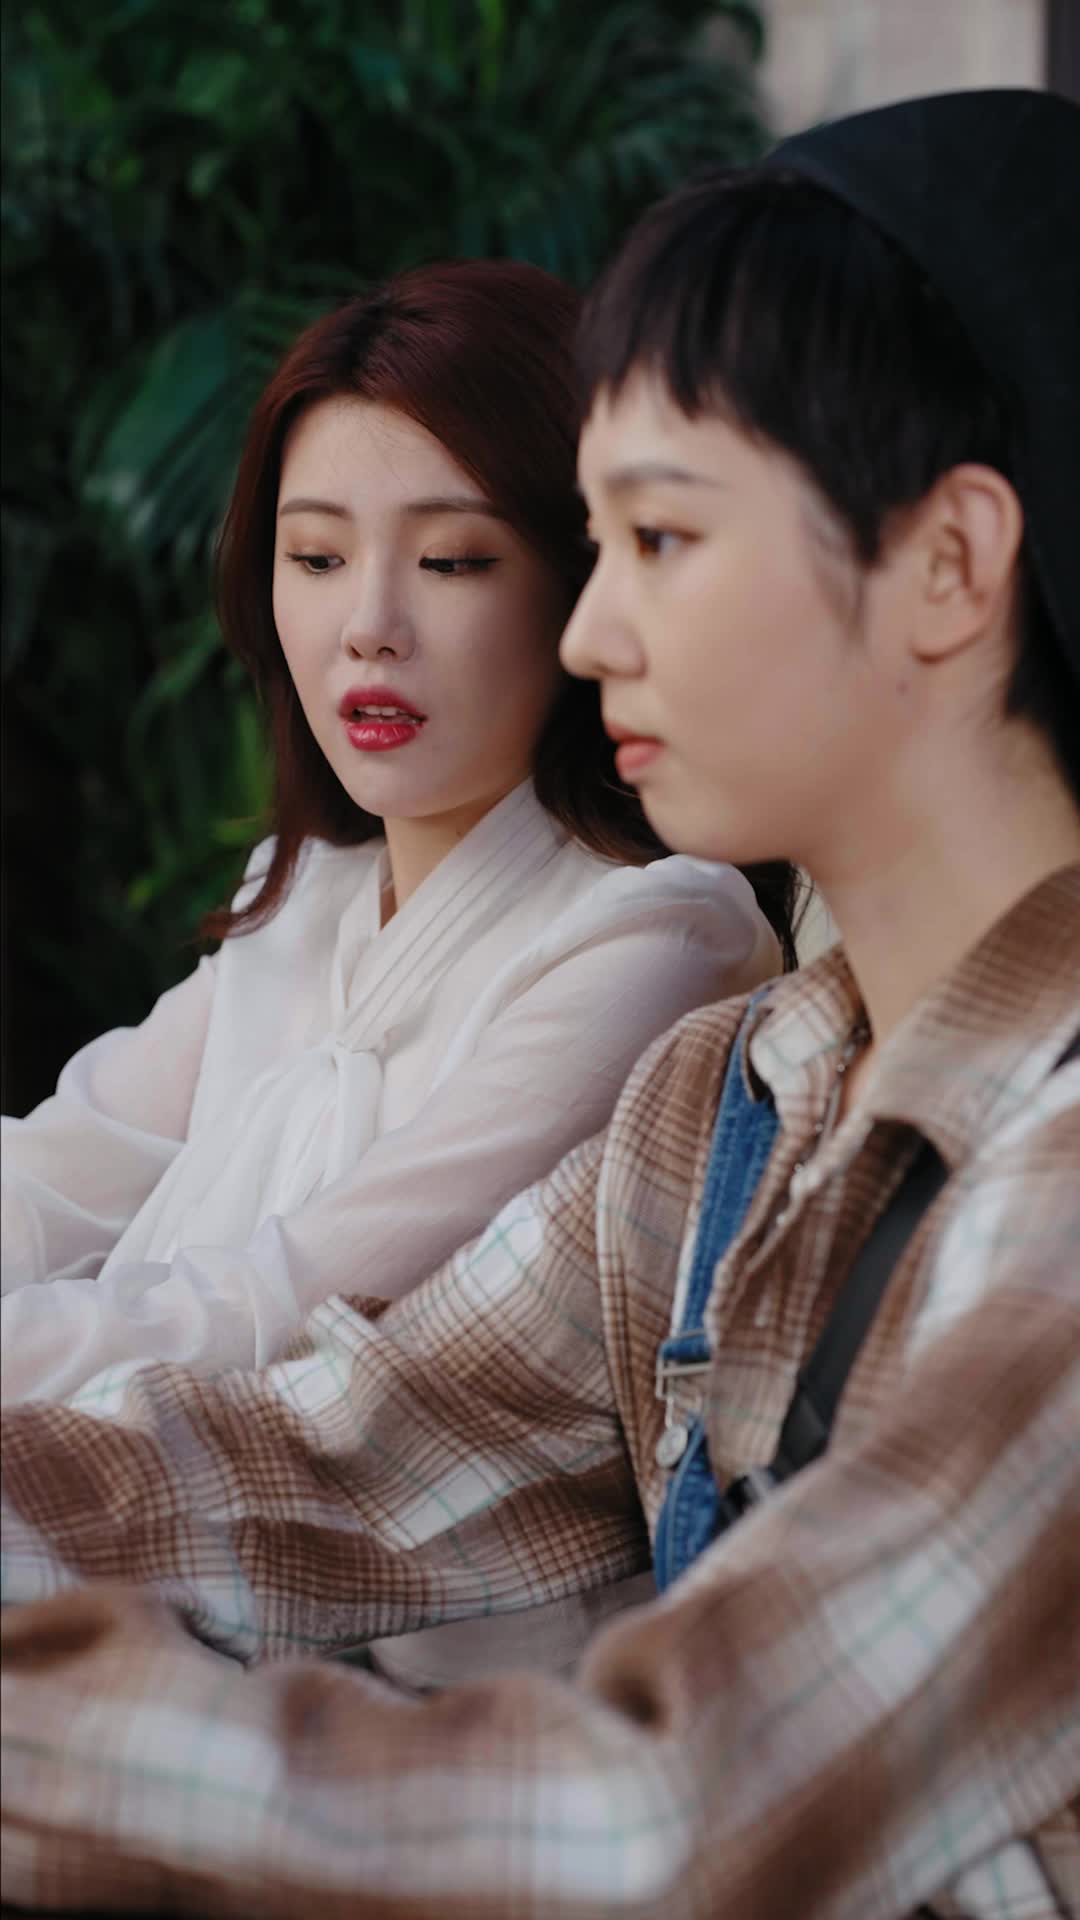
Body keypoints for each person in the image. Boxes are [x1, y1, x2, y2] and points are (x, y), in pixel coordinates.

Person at [2, 88, 1078, 1919]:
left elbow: (660, 1822)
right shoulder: (726, 1103)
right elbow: (332, 1462)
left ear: (953, 566)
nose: (587, 633)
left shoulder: (1052, 1180)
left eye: (660, 539)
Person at [0, 259, 793, 1419]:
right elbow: (51, 1178)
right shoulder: (302, 901)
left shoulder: (656, 941)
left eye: (453, 561)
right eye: (317, 558)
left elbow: (293, 1315)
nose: (369, 627)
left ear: (585, 584)